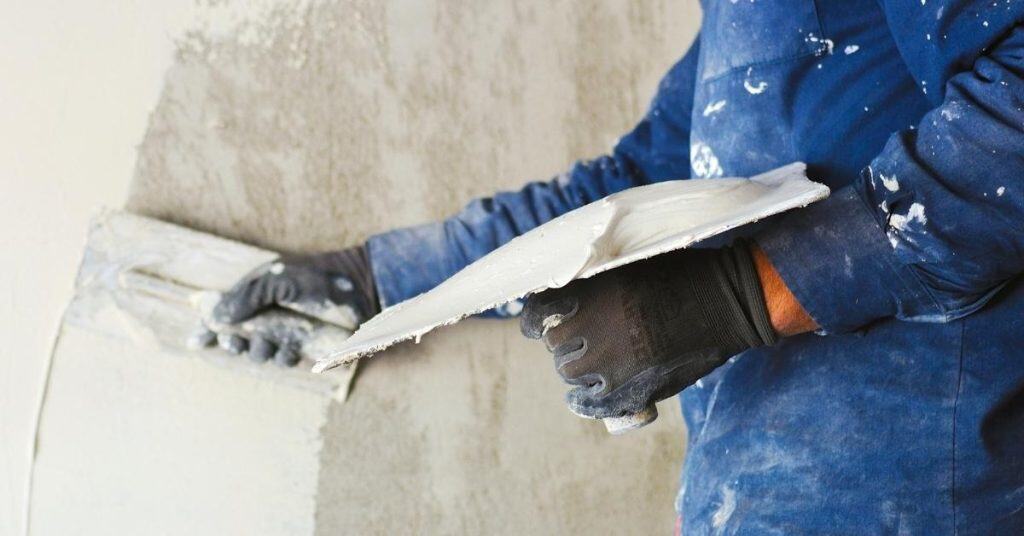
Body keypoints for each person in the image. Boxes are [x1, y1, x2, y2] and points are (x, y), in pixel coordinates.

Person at [200, 1, 1024, 532]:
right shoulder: (740, 22)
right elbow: (630, 194)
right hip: (753, 502)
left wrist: (738, 297)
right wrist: (379, 283)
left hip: (928, 495)